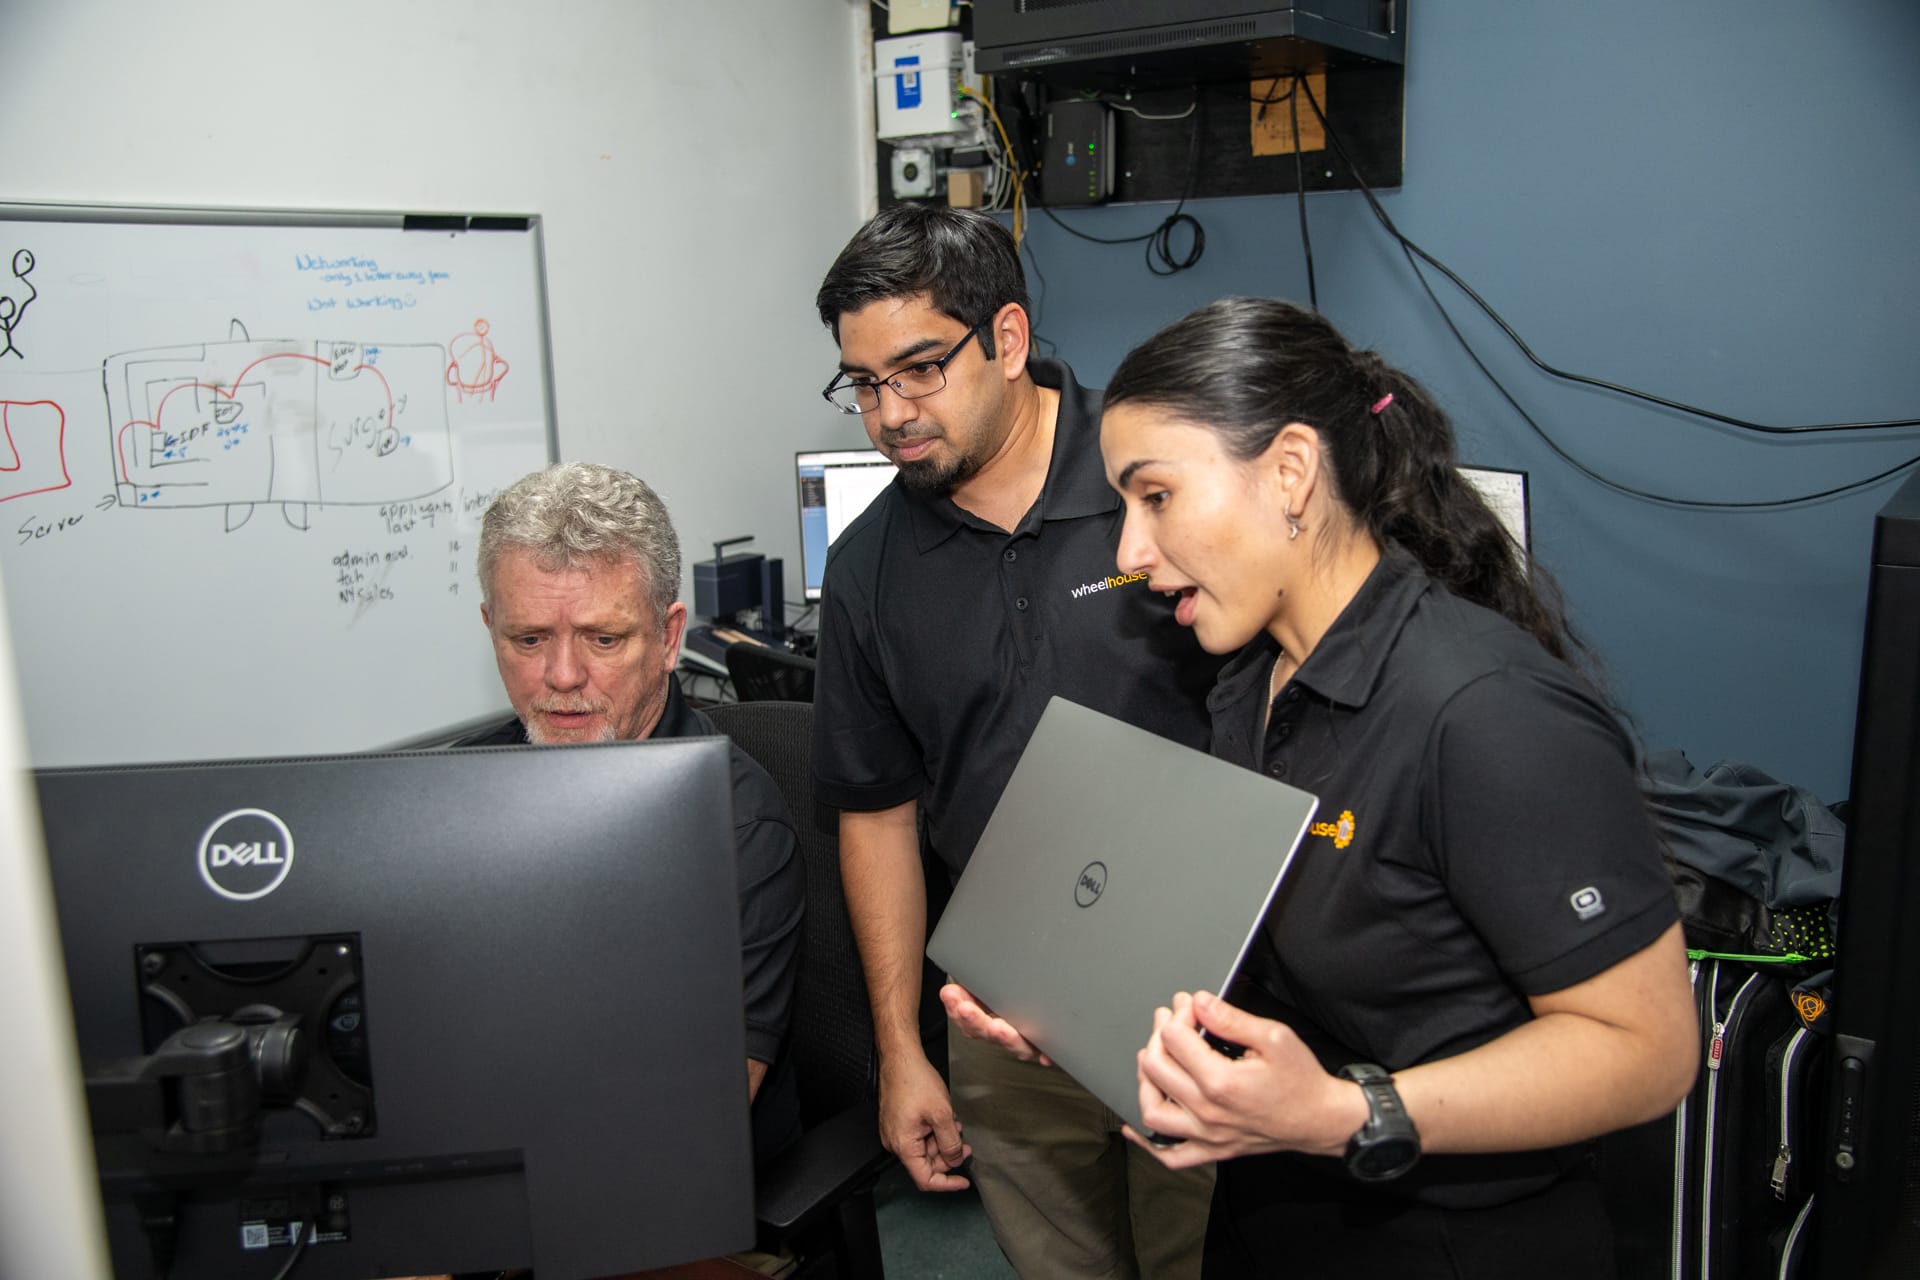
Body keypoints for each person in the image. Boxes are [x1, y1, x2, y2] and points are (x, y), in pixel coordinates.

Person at [1089, 297, 1697, 1277]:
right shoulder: (1252, 675)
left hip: (1456, 1235)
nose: (1127, 552)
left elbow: (1650, 1048)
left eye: (1153, 496)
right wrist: (1076, 1004)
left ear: (1290, 470)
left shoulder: (1486, 712)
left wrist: (1348, 1111)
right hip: (1276, 1202)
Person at [811, 205, 1224, 1278]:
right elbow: (877, 814)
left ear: (1004, 337)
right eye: (862, 383)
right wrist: (902, 1049)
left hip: (1203, 1002)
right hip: (1003, 1018)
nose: (890, 413)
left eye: (917, 370)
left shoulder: (1155, 479)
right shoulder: (866, 572)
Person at [457, 461, 806, 1163]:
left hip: (653, 1170)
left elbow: (690, 1115)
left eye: (603, 640)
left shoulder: (733, 828)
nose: (560, 677)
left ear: (669, 637)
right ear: (491, 627)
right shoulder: (457, 796)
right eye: (528, 640)